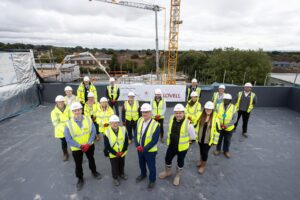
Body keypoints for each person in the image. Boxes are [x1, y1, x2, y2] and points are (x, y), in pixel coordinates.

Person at [64, 102, 102, 191]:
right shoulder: (68, 124)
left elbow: (93, 131)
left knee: (91, 159)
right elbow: (68, 138)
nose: (77, 112)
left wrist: (88, 143)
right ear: (72, 111)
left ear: (81, 110)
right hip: (77, 148)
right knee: (78, 164)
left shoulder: (88, 119)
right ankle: (80, 179)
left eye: (79, 110)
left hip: (89, 145)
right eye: (75, 110)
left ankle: (94, 172)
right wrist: (80, 146)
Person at [159, 104, 196, 186]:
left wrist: (187, 141)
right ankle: (168, 172)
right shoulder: (172, 118)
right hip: (172, 145)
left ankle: (178, 176)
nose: (178, 115)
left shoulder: (188, 123)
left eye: (180, 113)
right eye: (176, 113)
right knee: (167, 159)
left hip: (182, 148)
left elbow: (193, 136)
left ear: (184, 113)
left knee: (180, 162)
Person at [135, 103, 160, 190]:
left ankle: (152, 180)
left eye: (146, 112)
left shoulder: (155, 124)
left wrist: (144, 149)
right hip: (140, 149)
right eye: (143, 112)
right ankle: (143, 174)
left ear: (150, 112)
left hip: (150, 151)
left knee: (151, 166)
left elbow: (154, 140)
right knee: (141, 164)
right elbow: (136, 134)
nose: (144, 114)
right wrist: (137, 145)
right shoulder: (139, 120)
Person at [103, 115, 129, 186]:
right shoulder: (106, 132)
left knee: (121, 164)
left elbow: (126, 142)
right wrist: (115, 153)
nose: (115, 124)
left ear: (118, 123)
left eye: (116, 122)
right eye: (112, 123)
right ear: (110, 123)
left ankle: (121, 173)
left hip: (122, 153)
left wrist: (122, 151)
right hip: (113, 154)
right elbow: (107, 146)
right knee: (114, 166)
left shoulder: (123, 129)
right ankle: (115, 178)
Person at [196, 101, 220, 174]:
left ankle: (203, 165)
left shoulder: (215, 118)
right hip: (200, 138)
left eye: (210, 109)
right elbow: (195, 124)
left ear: (212, 110)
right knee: (201, 150)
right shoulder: (200, 115)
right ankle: (201, 160)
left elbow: (217, 131)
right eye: (206, 109)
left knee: (205, 152)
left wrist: (215, 141)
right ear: (204, 109)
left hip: (208, 140)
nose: (208, 110)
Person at [214, 94, 237, 158]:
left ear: (230, 100)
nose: (226, 101)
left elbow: (235, 119)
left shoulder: (233, 108)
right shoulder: (218, 106)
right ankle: (218, 149)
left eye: (227, 100)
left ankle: (226, 151)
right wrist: (219, 123)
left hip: (229, 128)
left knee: (227, 140)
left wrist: (227, 125)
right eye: (225, 100)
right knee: (219, 139)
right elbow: (215, 115)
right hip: (220, 127)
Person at [50, 95, 71, 161]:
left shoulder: (69, 109)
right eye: (59, 102)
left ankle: (76, 151)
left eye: (62, 102)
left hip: (70, 128)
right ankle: (65, 153)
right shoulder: (53, 112)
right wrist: (65, 129)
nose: (60, 103)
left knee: (73, 140)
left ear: (64, 102)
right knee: (64, 142)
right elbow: (55, 123)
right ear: (56, 102)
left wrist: (70, 127)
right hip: (61, 131)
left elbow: (72, 118)